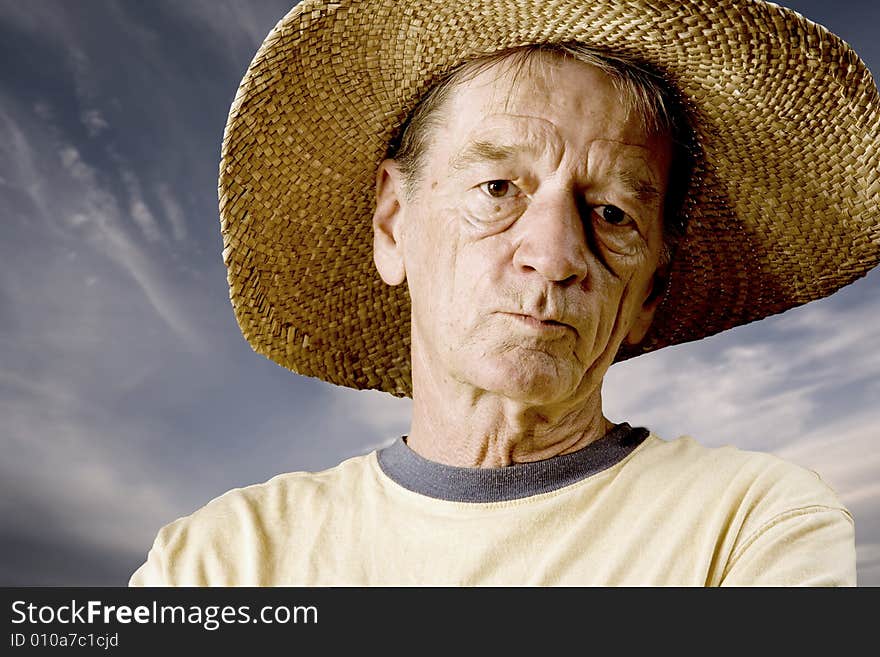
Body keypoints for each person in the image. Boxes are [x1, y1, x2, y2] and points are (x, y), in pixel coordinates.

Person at [130, 0, 879, 586]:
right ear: (392, 223)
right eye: (497, 188)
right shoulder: (216, 564)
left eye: (613, 213)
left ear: (651, 286)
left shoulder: (750, 523)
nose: (554, 255)